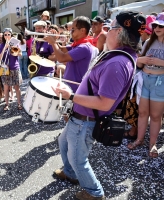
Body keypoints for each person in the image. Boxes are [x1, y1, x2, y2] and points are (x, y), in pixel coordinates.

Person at [47, 11, 145, 200]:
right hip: (80, 116)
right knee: (63, 142)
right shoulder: (118, 56)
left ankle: (94, 192)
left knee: (79, 159)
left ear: (119, 32)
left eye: (109, 28)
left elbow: (105, 102)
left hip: (86, 119)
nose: (104, 32)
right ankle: (70, 173)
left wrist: (71, 96)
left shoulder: (118, 63)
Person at [127, 12, 164, 158]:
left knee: (155, 116)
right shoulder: (149, 42)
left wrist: (158, 62)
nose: (157, 27)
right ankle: (139, 140)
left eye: (161, 25)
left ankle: (152, 144)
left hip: (160, 82)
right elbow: (137, 60)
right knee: (142, 113)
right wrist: (143, 60)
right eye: (155, 25)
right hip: (145, 80)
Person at [45, 16, 98, 93]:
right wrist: (55, 39)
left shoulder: (84, 47)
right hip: (69, 86)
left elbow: (61, 58)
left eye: (73, 29)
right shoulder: (78, 44)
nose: (70, 32)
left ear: (82, 30)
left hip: (75, 89)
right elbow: (61, 49)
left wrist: (53, 43)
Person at [0, 28, 22, 111]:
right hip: (4, 67)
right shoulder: (1, 45)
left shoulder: (15, 44)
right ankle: (7, 104)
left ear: (11, 35)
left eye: (9, 34)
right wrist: (5, 48)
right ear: (3, 36)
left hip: (14, 67)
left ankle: (19, 103)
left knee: (17, 87)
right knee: (6, 88)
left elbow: (20, 54)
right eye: (5, 35)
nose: (7, 36)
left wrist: (13, 48)